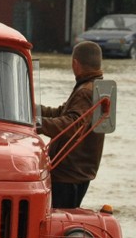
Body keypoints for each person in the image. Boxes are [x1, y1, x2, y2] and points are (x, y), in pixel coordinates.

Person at [38, 41, 106, 209]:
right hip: (79, 173)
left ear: (75, 64)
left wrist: (36, 124)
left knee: (57, 216)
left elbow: (71, 125)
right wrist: (32, 110)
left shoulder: (85, 91)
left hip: (69, 175)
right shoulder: (94, 87)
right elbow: (62, 113)